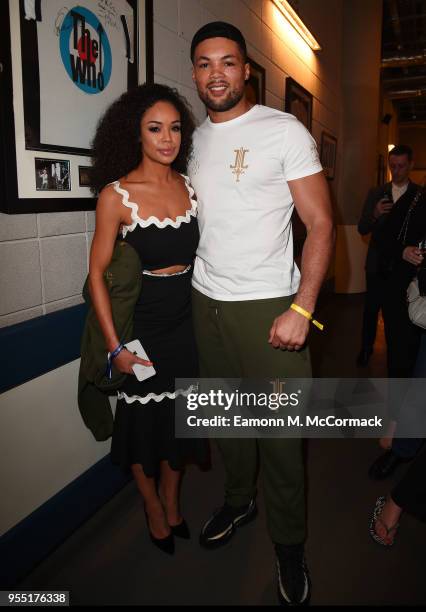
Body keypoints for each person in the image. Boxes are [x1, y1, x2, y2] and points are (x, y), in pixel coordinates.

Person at [188, 22, 334, 606]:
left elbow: (321, 223)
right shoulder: (192, 140)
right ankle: (237, 498)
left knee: (279, 435)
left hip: (272, 305)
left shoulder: (283, 129)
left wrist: (303, 307)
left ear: (246, 70)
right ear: (195, 72)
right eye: (204, 63)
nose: (216, 73)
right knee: (225, 417)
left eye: (227, 62)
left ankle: (290, 545)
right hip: (207, 303)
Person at [89, 83, 207, 556]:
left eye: (175, 128)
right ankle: (152, 507)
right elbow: (96, 275)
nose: (167, 138)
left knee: (181, 422)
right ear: (134, 133)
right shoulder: (117, 197)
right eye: (155, 128)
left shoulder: (190, 188)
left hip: (188, 321)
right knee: (141, 427)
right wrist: (115, 347)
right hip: (142, 327)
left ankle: (173, 503)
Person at [368, 187, 426, 480]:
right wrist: (404, 250)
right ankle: (398, 437)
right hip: (409, 298)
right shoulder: (415, 200)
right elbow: (381, 237)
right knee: (406, 366)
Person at [357, 145, 418, 371]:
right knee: (371, 309)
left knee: (399, 314)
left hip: (403, 267)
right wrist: (374, 214)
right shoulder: (377, 193)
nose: (397, 171)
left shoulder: (419, 195)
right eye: (393, 166)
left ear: (411, 165)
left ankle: (399, 353)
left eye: (401, 166)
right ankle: (366, 347)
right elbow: (362, 228)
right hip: (376, 264)